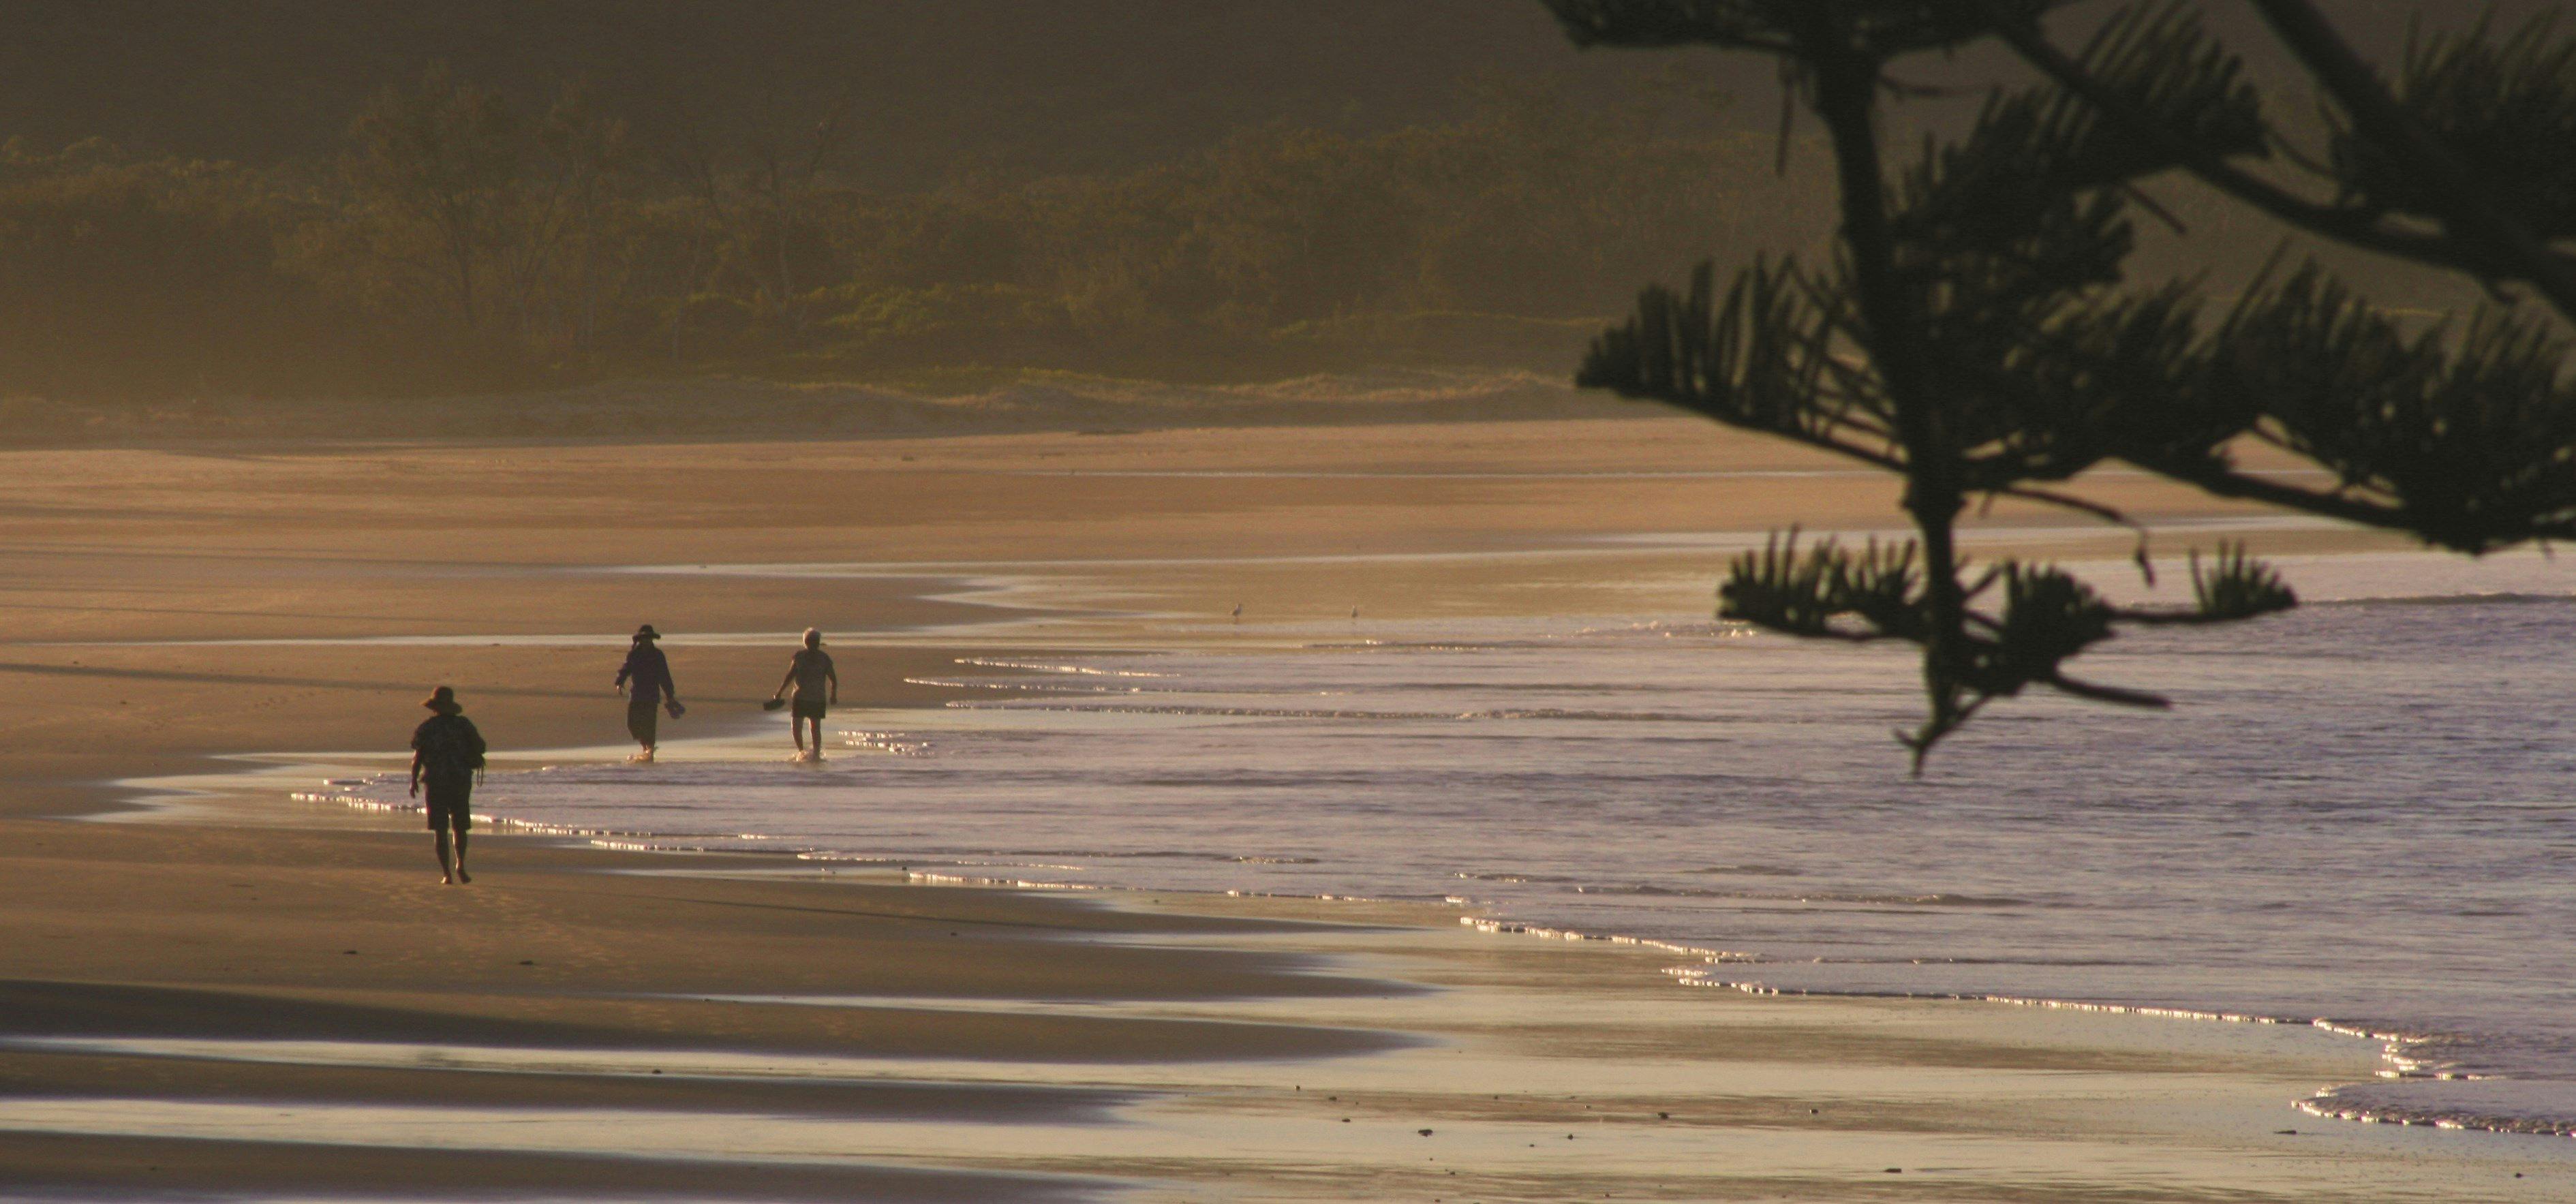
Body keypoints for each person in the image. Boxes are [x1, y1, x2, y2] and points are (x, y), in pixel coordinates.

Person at [409, 685, 487, 885]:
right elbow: (480, 747)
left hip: (436, 782)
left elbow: (417, 757)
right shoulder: (464, 725)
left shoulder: (427, 728)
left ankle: (447, 874)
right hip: (460, 780)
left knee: (440, 829)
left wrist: (413, 781)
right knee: (460, 827)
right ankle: (461, 864)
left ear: (434, 707)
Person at [613, 623, 682, 762]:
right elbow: (626, 668)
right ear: (640, 640)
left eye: (648, 638)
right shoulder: (634, 654)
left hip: (651, 695)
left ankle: (649, 750)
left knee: (650, 724)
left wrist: (670, 695)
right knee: (632, 724)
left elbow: (665, 675)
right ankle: (645, 747)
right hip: (636, 694)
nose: (646, 641)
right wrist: (619, 681)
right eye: (644, 638)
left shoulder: (658, 655)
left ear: (651, 640)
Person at [771, 627, 838, 761]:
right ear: (806, 642)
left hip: (815, 697)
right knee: (798, 727)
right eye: (810, 641)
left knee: (813, 727)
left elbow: (833, 679)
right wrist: (779, 691)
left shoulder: (824, 658)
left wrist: (833, 695)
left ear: (818, 642)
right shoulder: (799, 657)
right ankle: (802, 752)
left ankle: (815, 754)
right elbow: (790, 676)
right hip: (802, 696)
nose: (812, 644)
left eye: (814, 641)